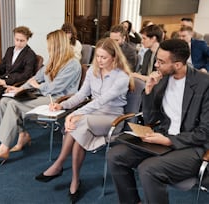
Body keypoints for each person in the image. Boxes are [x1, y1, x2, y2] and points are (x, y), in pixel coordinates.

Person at [107, 39, 209, 204]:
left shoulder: (204, 84)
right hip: (162, 137)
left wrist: (169, 140)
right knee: (115, 155)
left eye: (161, 62)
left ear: (177, 64)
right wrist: (148, 92)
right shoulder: (162, 80)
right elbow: (151, 119)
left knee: (148, 169)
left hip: (192, 147)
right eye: (157, 60)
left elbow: (204, 133)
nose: (156, 65)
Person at [35, 38, 134, 203]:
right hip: (91, 115)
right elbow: (82, 95)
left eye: (104, 57)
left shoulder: (122, 77)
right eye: (97, 57)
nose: (99, 61)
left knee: (79, 122)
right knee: (78, 132)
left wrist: (74, 115)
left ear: (114, 57)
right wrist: (63, 105)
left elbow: (101, 101)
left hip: (112, 119)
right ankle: (75, 179)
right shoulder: (92, 71)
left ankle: (59, 164)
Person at [0, 29, 81, 163]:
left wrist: (38, 86)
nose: (48, 48)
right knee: (5, 100)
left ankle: (4, 147)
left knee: (13, 104)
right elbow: (36, 77)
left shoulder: (73, 65)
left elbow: (56, 87)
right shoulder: (53, 60)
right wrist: (19, 89)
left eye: (50, 46)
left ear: (58, 46)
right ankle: (23, 135)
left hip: (58, 100)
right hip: (44, 95)